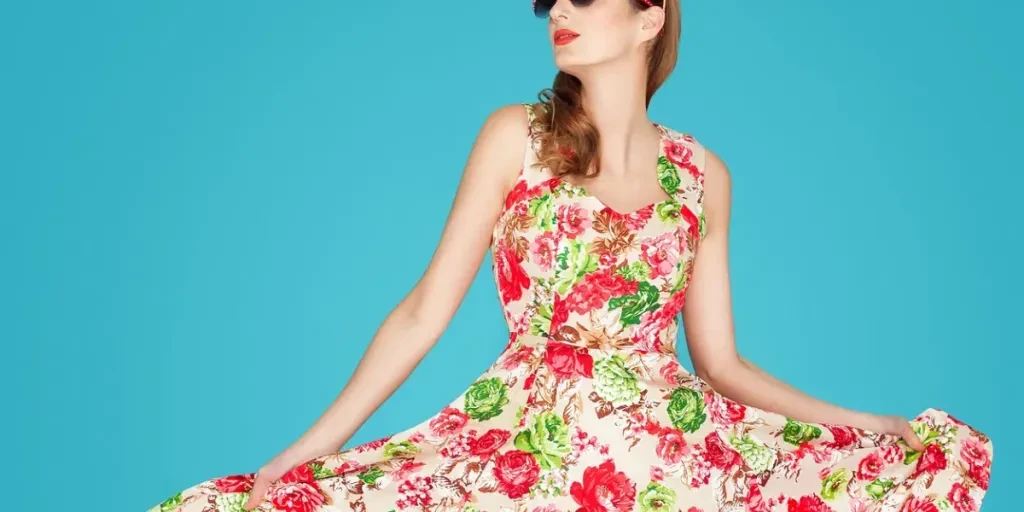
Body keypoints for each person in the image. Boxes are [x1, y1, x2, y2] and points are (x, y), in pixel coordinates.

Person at [148, 1, 994, 511]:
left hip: (663, 460)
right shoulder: (517, 136)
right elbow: (423, 312)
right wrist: (306, 450)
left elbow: (723, 363)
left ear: (650, 16)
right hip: (525, 440)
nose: (557, 10)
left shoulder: (704, 177)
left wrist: (872, 426)